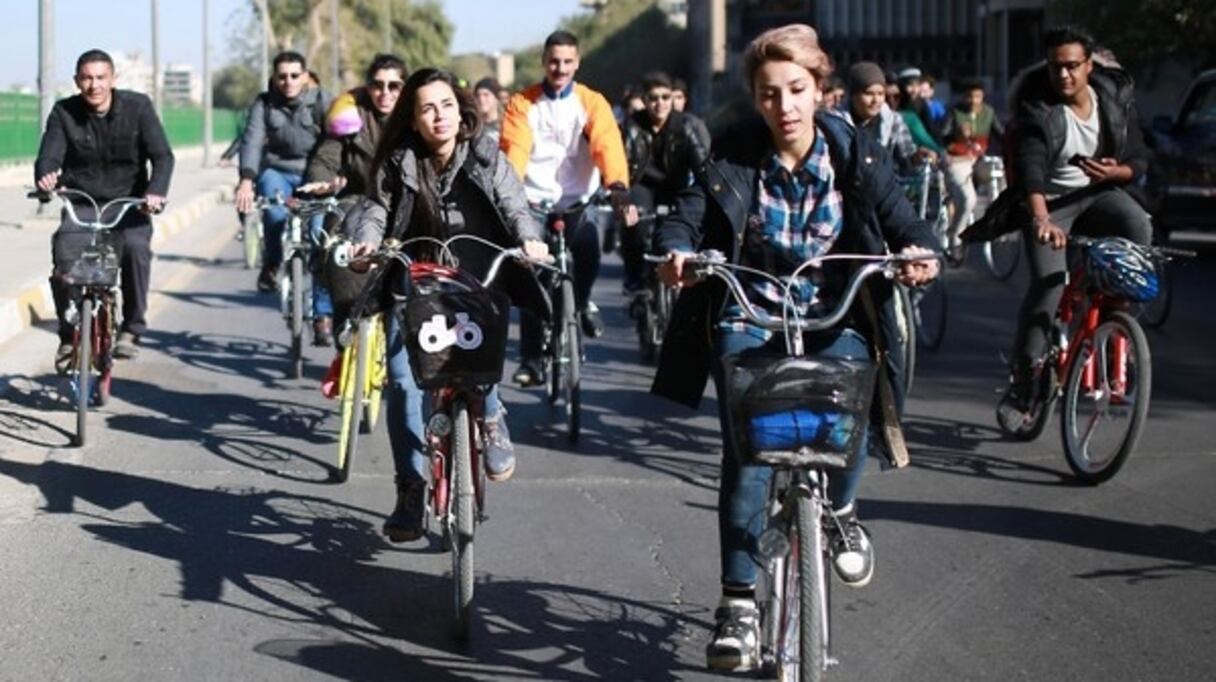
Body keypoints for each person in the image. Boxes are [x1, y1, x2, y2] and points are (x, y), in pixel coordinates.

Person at [650, 25, 939, 671]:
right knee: (750, 451)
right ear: (756, 98)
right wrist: (677, 250)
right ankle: (738, 606)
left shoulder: (854, 151)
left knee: (854, 401)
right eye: (770, 93)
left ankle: (839, 509)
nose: (784, 106)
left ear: (820, 91)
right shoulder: (733, 152)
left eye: (797, 90)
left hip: (833, 312)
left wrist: (919, 249)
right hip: (751, 313)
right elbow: (688, 212)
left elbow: (900, 216)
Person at [345, 68, 550, 542]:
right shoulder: (398, 162)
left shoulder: (484, 155)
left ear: (461, 112)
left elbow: (514, 205)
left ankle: (492, 416)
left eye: (447, 106)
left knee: (479, 365)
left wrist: (529, 241)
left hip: (475, 284)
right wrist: (365, 246)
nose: (439, 116)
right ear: (413, 120)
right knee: (402, 383)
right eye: (427, 109)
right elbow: (375, 209)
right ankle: (410, 490)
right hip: (413, 285)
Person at [996, 26, 1151, 419]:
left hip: (1098, 196)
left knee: (1138, 224)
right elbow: (1030, 166)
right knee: (1049, 286)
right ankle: (1026, 375)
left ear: (1089, 65)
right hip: (1049, 203)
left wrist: (1118, 172)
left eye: (1071, 66)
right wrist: (1042, 218)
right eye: (1055, 67)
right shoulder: (1040, 107)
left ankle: (1116, 316)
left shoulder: (1113, 100)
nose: (1063, 76)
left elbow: (1139, 158)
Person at [499, 30, 635, 387]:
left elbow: (607, 144)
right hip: (534, 201)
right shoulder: (522, 103)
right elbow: (515, 150)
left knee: (588, 251)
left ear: (577, 63)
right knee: (534, 274)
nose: (560, 68)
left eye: (567, 62)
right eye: (554, 61)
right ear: (544, 61)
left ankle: (584, 302)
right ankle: (531, 360)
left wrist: (618, 187)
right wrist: (509, 193)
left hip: (578, 200)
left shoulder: (592, 102)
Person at [36, 49, 174, 363]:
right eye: (86, 78)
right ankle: (69, 333)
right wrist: (45, 177)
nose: (94, 85)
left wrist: (155, 192)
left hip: (130, 204)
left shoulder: (138, 107)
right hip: (83, 202)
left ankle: (132, 327)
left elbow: (163, 157)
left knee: (136, 251)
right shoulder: (63, 112)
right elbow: (49, 155)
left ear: (113, 79)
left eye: (100, 77)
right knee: (63, 256)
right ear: (76, 81)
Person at [300, 53, 408, 344]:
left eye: (394, 86)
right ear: (368, 86)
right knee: (336, 250)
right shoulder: (348, 113)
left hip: (405, 205)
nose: (384, 93)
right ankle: (344, 332)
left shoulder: (417, 118)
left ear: (405, 88)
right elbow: (325, 157)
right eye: (378, 85)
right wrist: (322, 181)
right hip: (357, 199)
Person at [234, 51, 333, 293]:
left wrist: (336, 175)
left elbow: (337, 139)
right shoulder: (264, 103)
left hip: (314, 172)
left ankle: (321, 301)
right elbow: (252, 140)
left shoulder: (322, 100)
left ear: (305, 77)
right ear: (275, 78)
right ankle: (272, 263)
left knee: (320, 231)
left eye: (294, 75)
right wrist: (246, 180)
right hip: (276, 170)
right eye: (282, 76)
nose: (288, 81)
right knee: (274, 215)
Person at [620, 70, 710, 296]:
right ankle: (635, 277)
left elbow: (703, 167)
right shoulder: (631, 126)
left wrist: (709, 191)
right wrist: (621, 195)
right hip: (643, 185)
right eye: (653, 98)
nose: (660, 103)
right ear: (645, 101)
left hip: (676, 185)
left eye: (665, 97)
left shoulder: (687, 125)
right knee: (635, 223)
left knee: (685, 226)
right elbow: (622, 164)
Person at [941, 78, 1005, 256]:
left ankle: (997, 218)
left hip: (979, 159)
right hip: (958, 159)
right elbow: (943, 137)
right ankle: (956, 234)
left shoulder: (989, 112)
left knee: (1000, 174)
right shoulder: (954, 113)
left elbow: (1000, 134)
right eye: (970, 96)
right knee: (968, 199)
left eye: (977, 96)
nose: (974, 101)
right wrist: (958, 136)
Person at [837, 61, 926, 175]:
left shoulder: (893, 120)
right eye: (869, 94)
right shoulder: (837, 123)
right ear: (853, 95)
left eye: (880, 94)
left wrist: (917, 157)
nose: (876, 100)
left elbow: (907, 155)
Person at [473, 77, 504, 142]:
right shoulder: (473, 127)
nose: (481, 99)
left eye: (486, 95)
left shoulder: (506, 124)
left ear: (496, 98)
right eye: (478, 95)